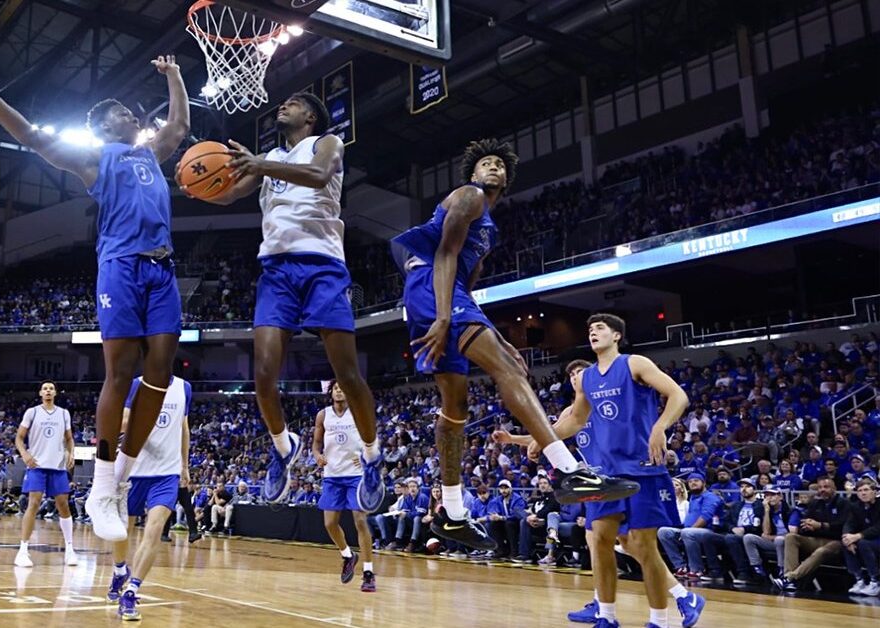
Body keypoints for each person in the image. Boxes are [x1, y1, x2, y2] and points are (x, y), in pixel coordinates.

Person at [0, 48, 190, 543]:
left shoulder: (149, 153)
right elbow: (32, 136)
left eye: (129, 111)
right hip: (120, 267)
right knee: (121, 372)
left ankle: (120, 476)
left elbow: (179, 128)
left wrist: (175, 76)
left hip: (162, 268)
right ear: (104, 127)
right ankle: (102, 484)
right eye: (120, 112)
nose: (130, 115)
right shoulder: (93, 158)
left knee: (162, 375)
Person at [390, 140, 640, 552]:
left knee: (455, 408)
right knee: (508, 369)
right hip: (432, 289)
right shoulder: (469, 197)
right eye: (485, 163)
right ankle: (568, 470)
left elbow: (466, 282)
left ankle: (451, 513)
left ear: (506, 179)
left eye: (499, 165)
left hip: (445, 294)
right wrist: (443, 316)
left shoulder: (488, 229)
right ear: (472, 175)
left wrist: (491, 330)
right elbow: (445, 255)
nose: (493, 168)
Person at [210, 93, 384, 511]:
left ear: (310, 116)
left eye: (292, 104)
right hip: (276, 270)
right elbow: (230, 194)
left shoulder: (327, 142)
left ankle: (374, 456)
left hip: (323, 266)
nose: (281, 108)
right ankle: (283, 446)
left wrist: (260, 164)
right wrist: (196, 178)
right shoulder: (267, 156)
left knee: (347, 373)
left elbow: (321, 175)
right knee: (263, 375)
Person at [498, 315, 705, 628]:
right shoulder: (588, 379)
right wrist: (541, 439)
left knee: (643, 545)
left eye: (600, 328)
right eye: (590, 329)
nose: (593, 332)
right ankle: (606, 616)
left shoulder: (635, 363)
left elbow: (679, 395)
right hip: (604, 475)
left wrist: (660, 426)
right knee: (600, 540)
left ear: (617, 335)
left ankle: (660, 621)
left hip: (641, 469)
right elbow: (574, 422)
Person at [107, 375, 192, 621]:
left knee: (154, 530)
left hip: (167, 473)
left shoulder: (184, 387)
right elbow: (122, 421)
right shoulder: (137, 384)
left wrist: (184, 465)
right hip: (134, 470)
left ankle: (131, 591)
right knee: (123, 530)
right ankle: (119, 569)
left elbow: (183, 427)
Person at [313, 380, 376, 592]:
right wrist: (317, 455)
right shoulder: (323, 415)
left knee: (360, 521)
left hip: (356, 475)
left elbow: (372, 438)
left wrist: (365, 456)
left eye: (343, 387)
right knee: (329, 523)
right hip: (332, 475)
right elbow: (316, 443)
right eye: (336, 388)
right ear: (331, 392)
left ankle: (368, 573)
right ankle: (348, 556)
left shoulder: (358, 411)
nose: (339, 390)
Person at [13, 381, 76, 567]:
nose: (48, 391)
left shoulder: (64, 413)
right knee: (33, 503)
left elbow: (69, 438)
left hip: (57, 466)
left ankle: (70, 550)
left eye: (51, 388)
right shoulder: (32, 412)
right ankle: (23, 551)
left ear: (55, 393)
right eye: (45, 388)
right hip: (37, 465)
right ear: (41, 393)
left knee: (64, 505)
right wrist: (24, 454)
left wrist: (71, 453)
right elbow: (19, 438)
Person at [771, 475, 851, 591]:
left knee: (821, 551)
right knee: (791, 537)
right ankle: (789, 579)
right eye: (820, 487)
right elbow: (805, 522)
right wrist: (807, 526)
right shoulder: (815, 503)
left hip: (836, 541)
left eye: (826, 487)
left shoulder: (844, 503)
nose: (822, 490)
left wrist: (820, 525)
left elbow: (842, 527)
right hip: (816, 539)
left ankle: (789, 578)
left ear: (834, 489)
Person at [842, 478, 880, 596]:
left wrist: (858, 536)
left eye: (866, 490)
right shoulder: (855, 507)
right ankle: (859, 580)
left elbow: (878, 528)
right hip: (867, 540)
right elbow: (849, 523)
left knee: (862, 543)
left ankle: (875, 581)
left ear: (874, 491)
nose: (863, 493)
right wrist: (847, 537)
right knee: (846, 543)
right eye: (860, 491)